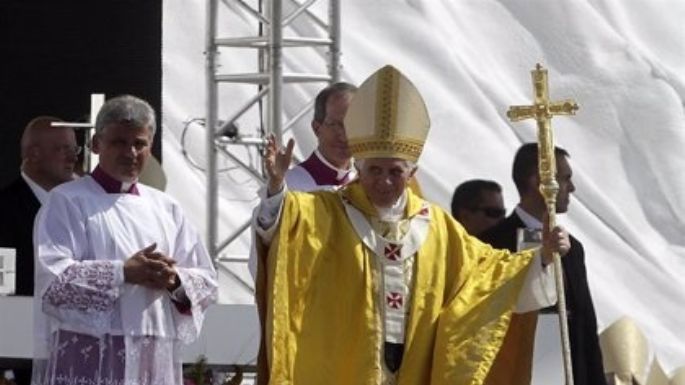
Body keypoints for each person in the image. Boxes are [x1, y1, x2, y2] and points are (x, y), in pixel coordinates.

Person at [252, 65, 572, 385]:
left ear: (412, 172)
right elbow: (284, 223)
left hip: (416, 368)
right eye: (375, 170)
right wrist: (277, 187)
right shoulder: (328, 211)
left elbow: (490, 274)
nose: (384, 181)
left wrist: (541, 256)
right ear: (359, 169)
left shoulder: (436, 227)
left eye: (395, 171)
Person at [31, 95, 218, 385]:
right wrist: (123, 273)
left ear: (150, 147)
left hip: (152, 354)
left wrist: (173, 280)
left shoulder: (166, 208)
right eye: (119, 142)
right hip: (90, 352)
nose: (130, 152)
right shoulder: (67, 201)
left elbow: (206, 280)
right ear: (96, 144)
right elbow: (53, 281)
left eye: (139, 143)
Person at [479, 143, 607, 385]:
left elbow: (585, 324)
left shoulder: (573, 247)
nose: (572, 188)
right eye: (565, 179)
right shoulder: (492, 244)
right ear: (540, 181)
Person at [0, 116, 77, 385]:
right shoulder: (5, 209)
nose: (72, 158)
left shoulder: (81, 211)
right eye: (62, 149)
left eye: (74, 150)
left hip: (77, 352)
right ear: (34, 153)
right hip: (18, 356)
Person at [284, 82, 358, 191]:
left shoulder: (366, 187)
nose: (344, 136)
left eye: (352, 125)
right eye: (335, 125)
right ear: (316, 128)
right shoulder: (289, 186)